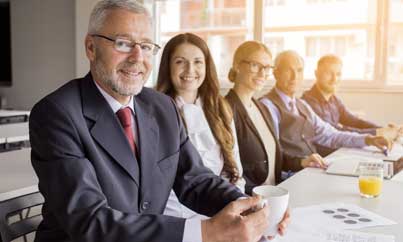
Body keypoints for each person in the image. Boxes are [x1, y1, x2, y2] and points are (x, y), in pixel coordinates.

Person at [29, 1, 275, 242]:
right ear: (91, 48)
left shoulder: (162, 107)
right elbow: (90, 221)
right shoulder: (56, 114)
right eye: (123, 43)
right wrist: (205, 232)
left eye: (146, 46)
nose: (137, 57)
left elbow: (196, 181)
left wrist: (251, 208)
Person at [155, 33, 246, 219]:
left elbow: (234, 168)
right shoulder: (154, 111)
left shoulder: (221, 108)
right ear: (168, 67)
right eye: (180, 61)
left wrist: (240, 209)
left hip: (221, 211)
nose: (190, 69)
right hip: (174, 218)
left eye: (198, 62)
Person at [260, 50, 391, 170]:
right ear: (276, 73)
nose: (295, 77)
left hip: (314, 167)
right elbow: (272, 153)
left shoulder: (302, 105)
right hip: (292, 174)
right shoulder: (268, 106)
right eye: (288, 70)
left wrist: (369, 139)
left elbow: (330, 134)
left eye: (299, 70)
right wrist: (301, 161)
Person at [225, 41, 326, 193]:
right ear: (237, 65)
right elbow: (227, 168)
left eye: (266, 67)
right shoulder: (226, 109)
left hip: (275, 193)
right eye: (255, 65)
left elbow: (274, 156)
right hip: (250, 198)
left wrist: (302, 161)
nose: (262, 73)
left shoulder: (261, 107)